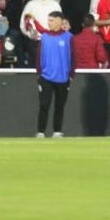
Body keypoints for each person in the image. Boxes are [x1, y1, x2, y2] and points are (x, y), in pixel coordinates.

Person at [36, 9, 73, 137]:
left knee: (60, 106)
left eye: (51, 20)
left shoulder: (69, 37)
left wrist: (71, 75)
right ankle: (40, 132)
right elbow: (39, 56)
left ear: (59, 21)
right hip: (46, 77)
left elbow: (74, 57)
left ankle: (57, 131)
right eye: (48, 20)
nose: (49, 23)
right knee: (44, 105)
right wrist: (39, 74)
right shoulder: (44, 37)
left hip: (63, 78)